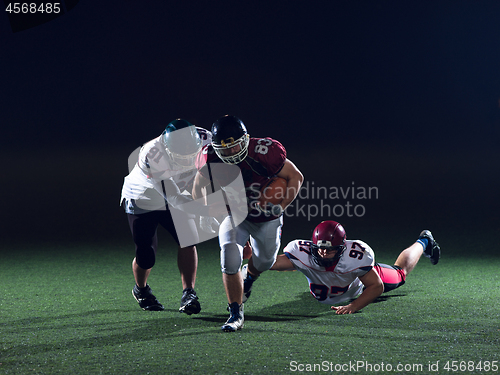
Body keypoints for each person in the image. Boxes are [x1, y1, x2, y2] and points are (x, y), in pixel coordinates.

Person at [192, 115, 304, 331]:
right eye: (225, 149)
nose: (232, 152)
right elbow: (198, 190)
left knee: (264, 261)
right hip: (234, 214)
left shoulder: (264, 153)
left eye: (235, 146)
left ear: (246, 139)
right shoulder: (209, 157)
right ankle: (235, 313)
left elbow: (296, 176)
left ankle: (250, 276)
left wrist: (280, 207)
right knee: (229, 257)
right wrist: (212, 211)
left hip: (266, 218)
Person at [120, 119, 212, 315]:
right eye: (181, 156)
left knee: (188, 239)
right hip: (143, 198)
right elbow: (174, 197)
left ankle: (189, 293)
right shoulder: (152, 154)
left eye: (191, 154)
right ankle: (141, 289)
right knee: (146, 256)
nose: (188, 160)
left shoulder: (205, 138)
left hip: (178, 191)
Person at [265, 220, 440, 314]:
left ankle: (425, 241)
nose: (324, 253)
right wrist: (252, 256)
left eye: (330, 250)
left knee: (400, 274)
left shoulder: (355, 257)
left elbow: (376, 286)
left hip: (359, 286)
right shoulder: (303, 253)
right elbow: (270, 263)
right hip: (337, 288)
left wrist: (354, 306)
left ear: (342, 249)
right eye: (321, 249)